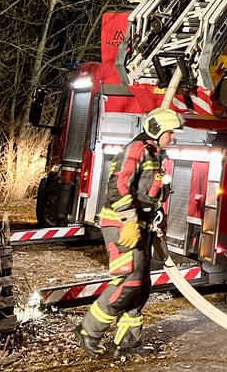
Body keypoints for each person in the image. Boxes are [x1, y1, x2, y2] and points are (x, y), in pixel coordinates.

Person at [75, 107, 184, 358]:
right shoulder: (136, 151)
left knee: (141, 286)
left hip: (142, 227)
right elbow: (118, 186)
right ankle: (89, 331)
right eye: (171, 132)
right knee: (129, 281)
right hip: (122, 226)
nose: (175, 137)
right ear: (157, 131)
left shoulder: (157, 155)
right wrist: (130, 220)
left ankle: (128, 341)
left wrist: (161, 218)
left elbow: (155, 192)